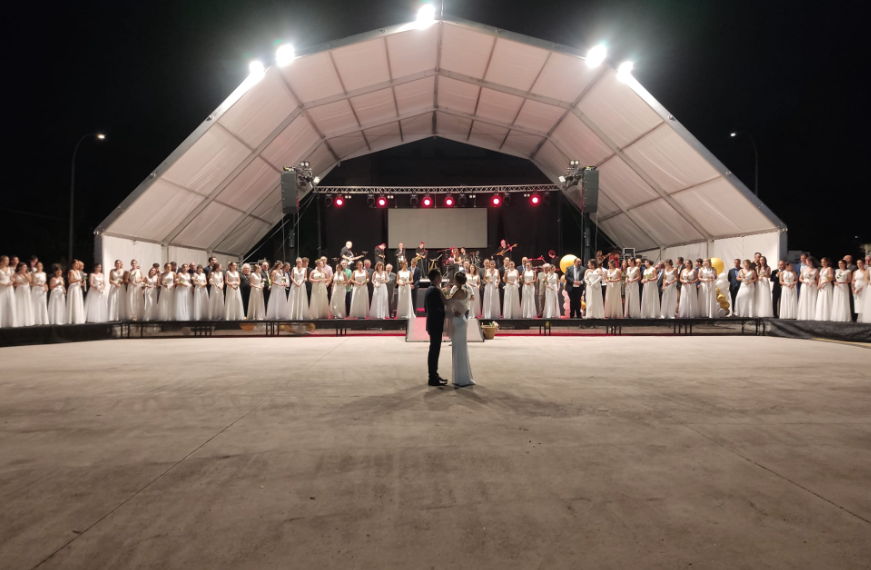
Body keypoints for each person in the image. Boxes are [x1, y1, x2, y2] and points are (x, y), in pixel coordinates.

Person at [444, 272, 474, 387]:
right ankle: (463, 377)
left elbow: (448, 301)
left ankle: (460, 378)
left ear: (457, 280)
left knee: (458, 350)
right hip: (462, 319)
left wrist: (443, 293)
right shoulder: (466, 291)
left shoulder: (459, 291)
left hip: (458, 321)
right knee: (462, 349)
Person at [424, 269, 448, 387]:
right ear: (437, 278)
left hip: (432, 323)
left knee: (434, 349)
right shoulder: (434, 291)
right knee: (434, 350)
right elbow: (438, 308)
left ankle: (434, 374)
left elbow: (425, 308)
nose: (441, 278)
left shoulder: (429, 289)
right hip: (435, 324)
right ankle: (432, 377)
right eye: (440, 276)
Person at [13, 262, 35, 326]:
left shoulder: (27, 273)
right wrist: (18, 284)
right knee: (19, 303)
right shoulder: (15, 274)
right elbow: (14, 284)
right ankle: (19, 321)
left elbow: (29, 280)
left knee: (26, 303)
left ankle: (28, 320)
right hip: (19, 290)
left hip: (26, 290)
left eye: (26, 267)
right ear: (20, 268)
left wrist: (24, 274)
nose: (25, 268)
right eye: (24, 267)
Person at [814, 257, 834, 321]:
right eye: (822, 262)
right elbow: (820, 277)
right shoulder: (822, 269)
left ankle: (827, 315)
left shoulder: (829, 268)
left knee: (826, 298)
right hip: (821, 285)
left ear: (827, 262)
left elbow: (831, 277)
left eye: (824, 262)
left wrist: (824, 282)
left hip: (827, 284)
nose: (823, 263)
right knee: (821, 299)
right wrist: (819, 284)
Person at [0, 256, 18, 328]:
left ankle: (11, 322)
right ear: (2, 261)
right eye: (6, 260)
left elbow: (12, 278)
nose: (7, 261)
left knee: (10, 303)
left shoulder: (9, 269)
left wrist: (11, 282)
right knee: (1, 303)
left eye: (8, 260)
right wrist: (4, 284)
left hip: (9, 287)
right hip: (2, 287)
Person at [66, 260, 85, 325]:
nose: (77, 265)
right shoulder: (71, 271)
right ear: (72, 265)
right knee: (74, 302)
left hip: (78, 288)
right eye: (76, 264)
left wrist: (81, 284)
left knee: (78, 302)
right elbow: (70, 281)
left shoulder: (78, 271)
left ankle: (78, 318)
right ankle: (73, 318)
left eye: (77, 264)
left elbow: (79, 281)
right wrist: (78, 280)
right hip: (73, 288)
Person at [31, 261, 49, 326]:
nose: (39, 267)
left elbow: (45, 283)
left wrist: (46, 287)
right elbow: (31, 283)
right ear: (35, 267)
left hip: (42, 290)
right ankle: (36, 320)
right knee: (36, 304)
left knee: (43, 304)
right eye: (38, 266)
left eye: (40, 266)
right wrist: (37, 284)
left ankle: (43, 320)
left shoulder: (44, 273)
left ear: (42, 267)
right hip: (36, 289)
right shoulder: (33, 274)